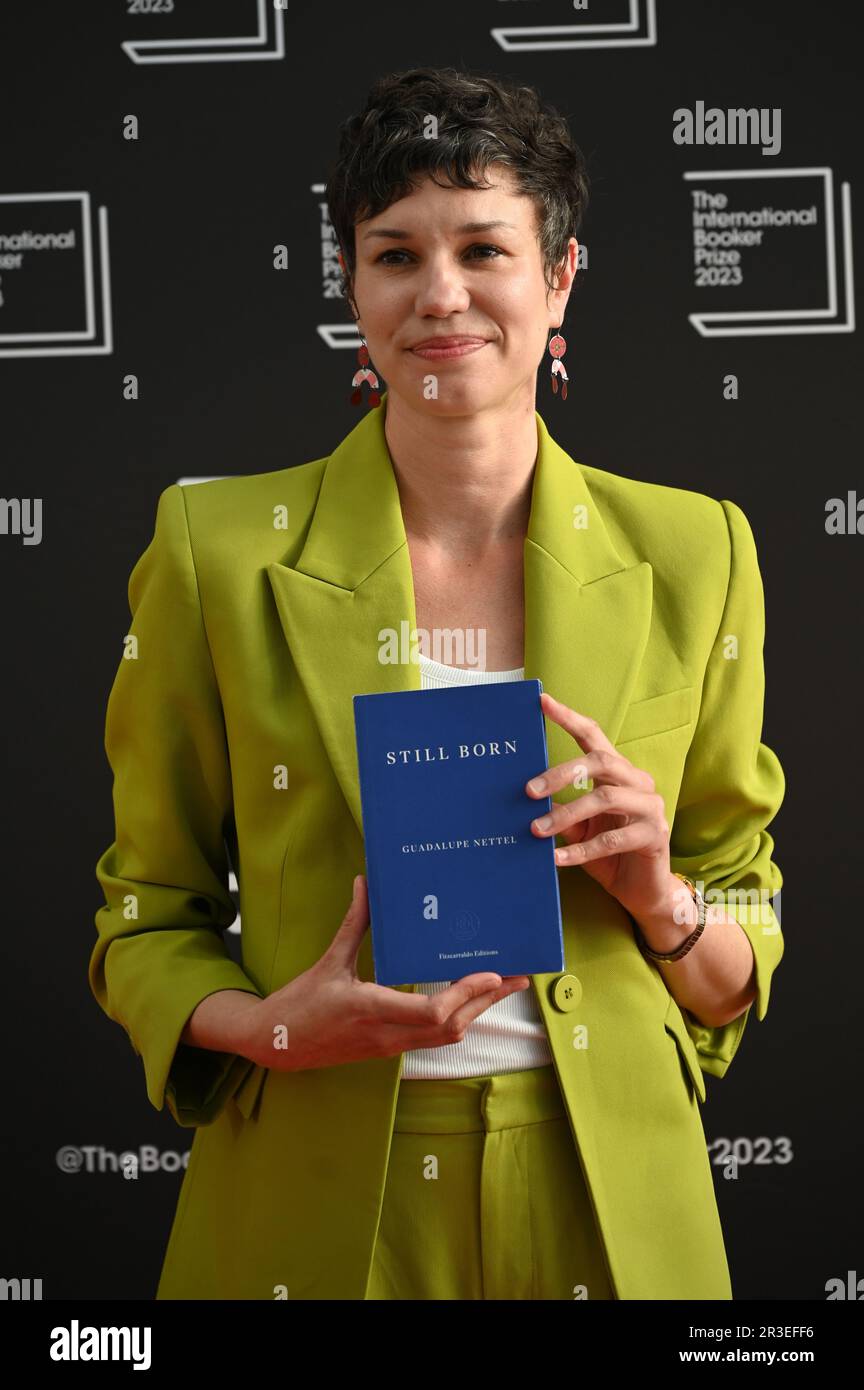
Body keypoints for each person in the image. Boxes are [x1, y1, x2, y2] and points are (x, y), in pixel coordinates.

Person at [90, 65, 785, 1301]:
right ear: (352, 285)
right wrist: (274, 1025)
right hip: (314, 1189)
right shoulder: (215, 554)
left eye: (484, 248)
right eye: (394, 253)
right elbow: (145, 913)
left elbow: (747, 927)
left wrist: (664, 897)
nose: (441, 295)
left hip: (609, 1194)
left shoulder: (698, 552)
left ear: (561, 275)